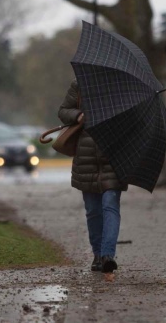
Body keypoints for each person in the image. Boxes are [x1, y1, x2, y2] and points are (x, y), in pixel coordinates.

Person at [58, 79, 128, 274]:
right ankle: (97, 255)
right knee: (93, 211)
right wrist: (77, 114)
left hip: (114, 158)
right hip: (86, 159)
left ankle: (108, 255)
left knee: (110, 205)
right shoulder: (80, 85)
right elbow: (63, 111)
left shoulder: (122, 88)